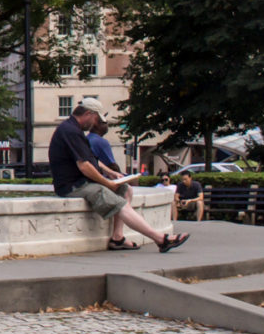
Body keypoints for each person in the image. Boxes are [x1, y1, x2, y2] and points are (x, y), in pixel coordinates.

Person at [49, 101, 186, 252]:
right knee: (118, 203)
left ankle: (117, 238)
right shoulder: (70, 131)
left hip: (82, 183)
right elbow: (84, 166)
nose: (95, 125)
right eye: (96, 120)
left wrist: (111, 173)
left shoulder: (74, 130)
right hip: (73, 186)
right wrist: (107, 184)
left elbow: (90, 159)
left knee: (125, 190)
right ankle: (160, 239)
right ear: (88, 114)